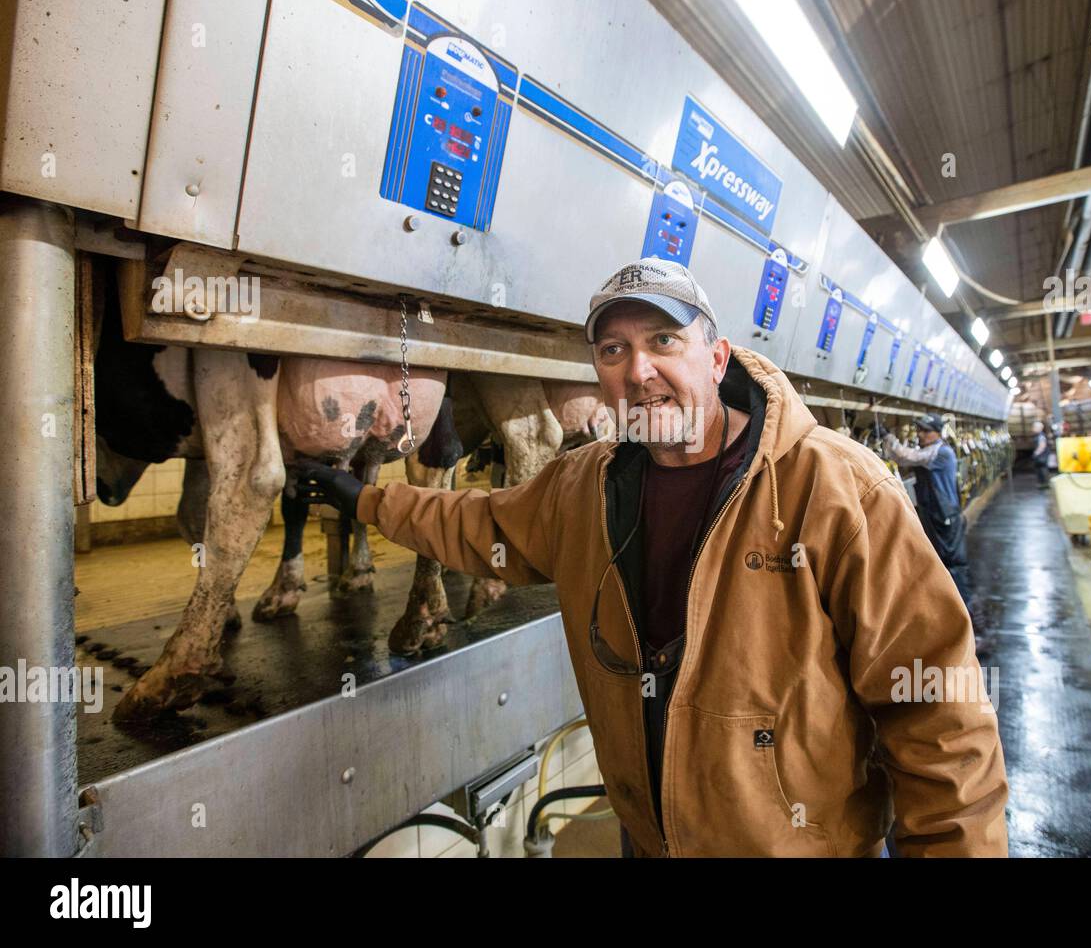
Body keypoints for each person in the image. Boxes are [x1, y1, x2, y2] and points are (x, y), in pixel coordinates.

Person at [295, 257, 1007, 858]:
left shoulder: (834, 486)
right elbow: (478, 525)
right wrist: (363, 499)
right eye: (613, 351)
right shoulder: (586, 488)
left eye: (664, 340)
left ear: (718, 356)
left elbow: (940, 714)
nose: (640, 371)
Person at [879, 416, 976, 615]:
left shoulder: (941, 452)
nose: (920, 434)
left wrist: (887, 437)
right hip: (936, 513)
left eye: (925, 430)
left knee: (954, 562)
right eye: (919, 430)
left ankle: (967, 612)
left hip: (945, 515)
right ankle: (949, 607)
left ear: (937, 433)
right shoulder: (933, 451)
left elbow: (908, 457)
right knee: (941, 559)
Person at [1031, 420, 1051, 488]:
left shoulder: (1041, 436)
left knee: (1042, 469)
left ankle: (1045, 484)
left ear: (1039, 428)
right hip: (1041, 456)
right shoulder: (1039, 435)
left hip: (1042, 456)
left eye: (1034, 427)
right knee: (1040, 469)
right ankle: (1042, 483)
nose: (1033, 428)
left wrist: (1036, 453)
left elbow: (1042, 445)